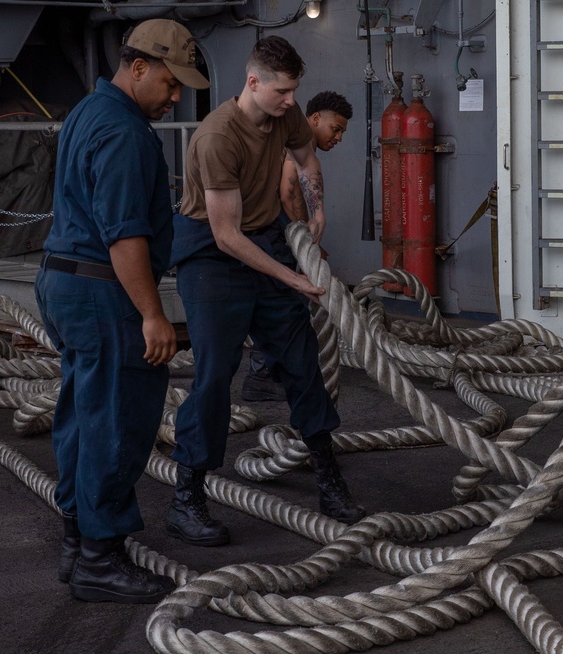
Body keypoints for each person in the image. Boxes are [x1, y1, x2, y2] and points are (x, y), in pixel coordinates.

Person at [35, 18, 210, 603]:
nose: (177, 96)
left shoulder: (89, 110)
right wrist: (153, 315)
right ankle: (99, 559)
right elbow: (125, 238)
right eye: (170, 82)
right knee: (116, 422)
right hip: (103, 293)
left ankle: (76, 539)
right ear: (138, 67)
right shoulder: (127, 134)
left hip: (63, 283)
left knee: (82, 417)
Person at [168, 36, 365, 545]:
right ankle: (186, 498)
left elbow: (306, 158)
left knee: (303, 364)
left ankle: (329, 482)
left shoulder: (286, 115)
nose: (291, 101)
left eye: (294, 90)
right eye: (282, 90)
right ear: (252, 82)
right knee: (214, 374)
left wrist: (317, 212)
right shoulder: (217, 137)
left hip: (265, 238)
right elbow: (226, 235)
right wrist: (291, 276)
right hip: (213, 256)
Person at [242, 90, 354, 403]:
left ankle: (266, 374)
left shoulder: (292, 143)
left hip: (273, 234)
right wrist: (304, 247)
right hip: (271, 236)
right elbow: (288, 195)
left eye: (343, 132)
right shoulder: (297, 144)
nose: (339, 137)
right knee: (285, 309)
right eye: (336, 128)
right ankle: (263, 376)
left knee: (284, 308)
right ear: (315, 119)